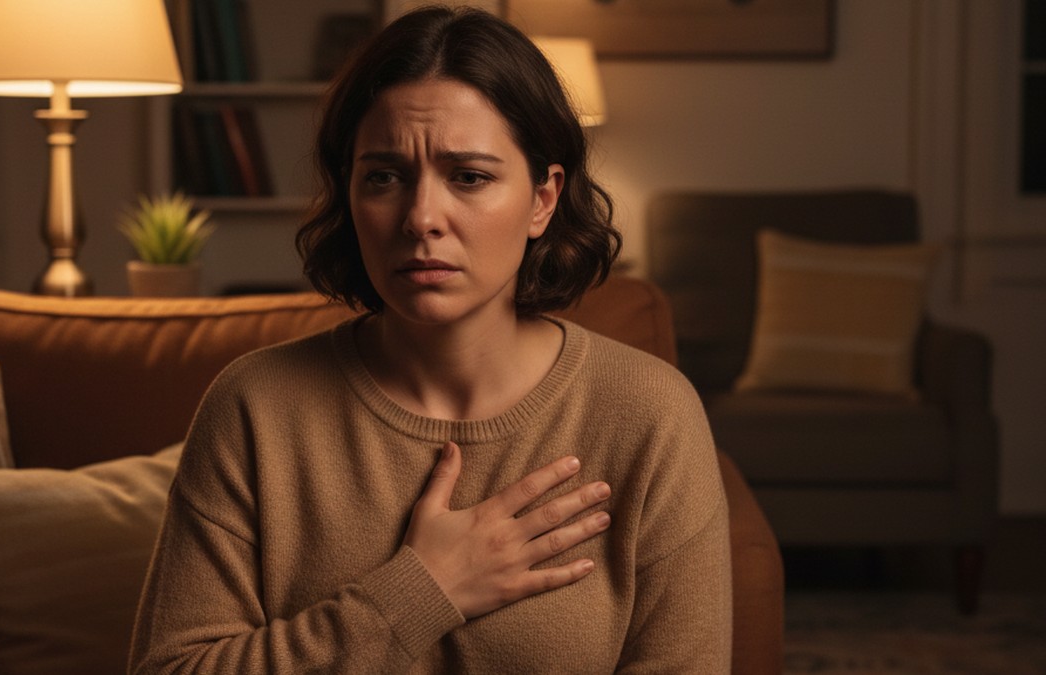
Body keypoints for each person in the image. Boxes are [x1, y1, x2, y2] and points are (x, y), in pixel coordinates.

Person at [130, 6, 731, 673]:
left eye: (469, 177)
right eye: (384, 176)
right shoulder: (256, 406)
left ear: (543, 199)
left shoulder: (650, 412)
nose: (420, 218)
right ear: (349, 192)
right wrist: (420, 591)